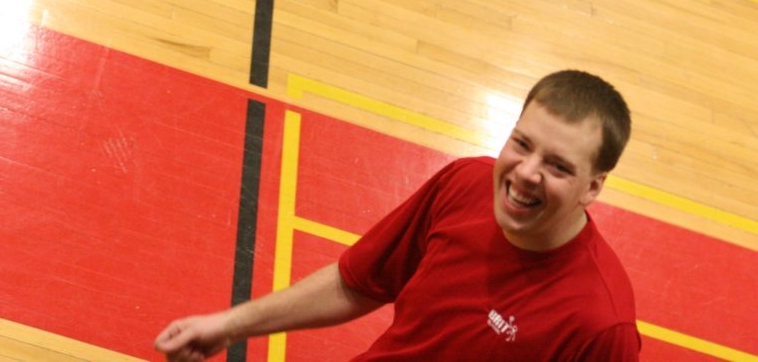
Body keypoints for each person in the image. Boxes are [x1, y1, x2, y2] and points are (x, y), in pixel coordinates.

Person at [155, 70, 640, 361]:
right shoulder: (466, 184)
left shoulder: (599, 325)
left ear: (593, 187)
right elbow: (357, 283)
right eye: (522, 144)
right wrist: (227, 325)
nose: (526, 173)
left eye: (557, 166)